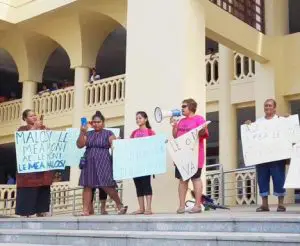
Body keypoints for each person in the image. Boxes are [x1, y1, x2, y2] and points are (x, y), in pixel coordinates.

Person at [77, 110, 127, 216]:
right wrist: (82, 132)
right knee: (87, 185)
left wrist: (117, 141)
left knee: (107, 185)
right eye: (94, 122)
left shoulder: (108, 133)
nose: (96, 124)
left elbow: (113, 141)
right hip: (89, 161)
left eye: (98, 122)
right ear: (91, 123)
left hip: (103, 161)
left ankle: (119, 205)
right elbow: (80, 145)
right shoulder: (88, 133)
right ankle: (85, 210)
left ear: (103, 123)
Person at [245, 99, 287, 212]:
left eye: (269, 105)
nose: (267, 107)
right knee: (262, 179)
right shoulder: (258, 122)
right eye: (265, 105)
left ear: (274, 107)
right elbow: (252, 135)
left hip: (277, 157)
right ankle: (264, 205)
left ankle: (281, 204)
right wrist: (248, 126)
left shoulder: (281, 120)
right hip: (262, 157)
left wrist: (289, 120)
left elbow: (289, 131)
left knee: (279, 179)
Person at [171, 98, 209, 214]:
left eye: (184, 106)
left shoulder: (199, 119)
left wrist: (201, 129)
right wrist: (174, 126)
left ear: (191, 107)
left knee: (196, 179)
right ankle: (181, 206)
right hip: (182, 156)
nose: (182, 108)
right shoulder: (181, 121)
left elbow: (204, 134)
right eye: (182, 106)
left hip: (195, 155)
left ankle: (197, 205)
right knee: (183, 180)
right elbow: (175, 136)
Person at [15, 109, 53, 217]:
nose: (34, 117)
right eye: (31, 116)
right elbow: (22, 142)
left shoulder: (44, 128)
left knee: (43, 188)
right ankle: (26, 213)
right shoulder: (22, 129)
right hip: (29, 169)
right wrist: (35, 128)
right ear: (25, 119)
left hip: (42, 167)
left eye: (35, 115)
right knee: (29, 190)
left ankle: (41, 211)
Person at [130, 111, 155, 215]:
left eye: (140, 118)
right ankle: (141, 208)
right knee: (138, 186)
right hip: (136, 163)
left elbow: (155, 145)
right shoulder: (134, 133)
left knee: (146, 185)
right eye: (136, 118)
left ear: (145, 119)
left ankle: (148, 208)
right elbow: (129, 146)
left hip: (146, 163)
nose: (138, 120)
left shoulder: (150, 132)